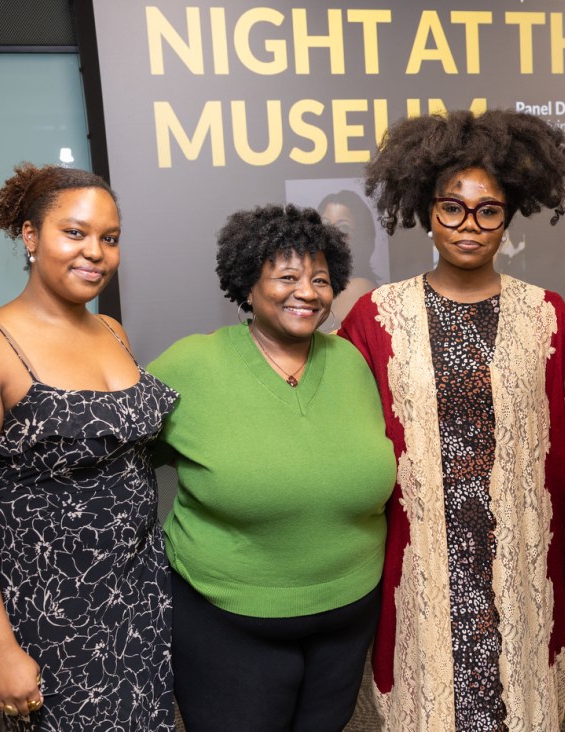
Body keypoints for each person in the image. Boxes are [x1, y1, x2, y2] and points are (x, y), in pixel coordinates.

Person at [338, 108, 565, 731]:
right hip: (422, 553)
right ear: (426, 210)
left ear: (509, 216)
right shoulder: (376, 316)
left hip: (521, 552)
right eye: (452, 206)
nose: (468, 225)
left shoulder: (548, 316)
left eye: (488, 209)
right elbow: (338, 434)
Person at [0, 163, 177, 730]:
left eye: (109, 239)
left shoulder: (113, 331)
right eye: (75, 232)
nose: (95, 252)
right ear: (31, 236)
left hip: (140, 591)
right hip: (55, 612)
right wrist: (0, 650)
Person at [147, 202, 396, 732]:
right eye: (286, 276)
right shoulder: (192, 364)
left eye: (321, 279)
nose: (307, 291)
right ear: (248, 284)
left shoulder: (351, 362)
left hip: (346, 623)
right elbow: (123, 466)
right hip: (228, 626)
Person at [319, 189, 380, 330]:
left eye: (343, 228)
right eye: (326, 226)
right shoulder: (326, 285)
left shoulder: (356, 288)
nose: (332, 235)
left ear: (361, 236)